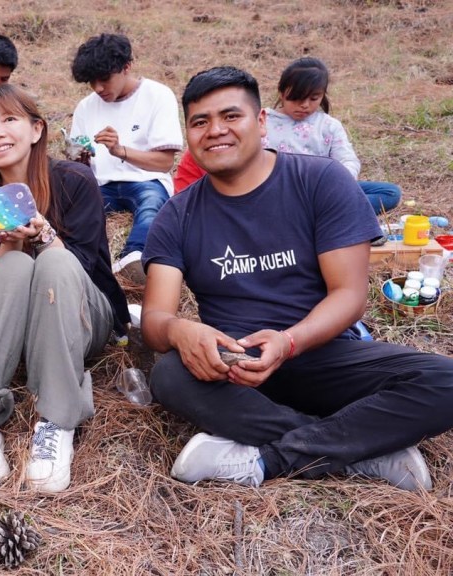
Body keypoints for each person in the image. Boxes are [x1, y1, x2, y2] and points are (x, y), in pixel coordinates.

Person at [141, 66, 453, 492]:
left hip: (322, 353)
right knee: (169, 375)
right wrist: (180, 330)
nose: (215, 131)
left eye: (231, 116)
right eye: (200, 122)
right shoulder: (176, 215)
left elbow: (349, 295)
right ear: (189, 134)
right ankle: (361, 447)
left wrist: (289, 342)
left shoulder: (320, 181)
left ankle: (268, 460)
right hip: (237, 365)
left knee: (445, 380)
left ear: (261, 121)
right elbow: (155, 320)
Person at [0, 84, 130, 493]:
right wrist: (5, 247)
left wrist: (43, 236)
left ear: (36, 129)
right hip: (14, 324)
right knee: (14, 264)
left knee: (53, 260)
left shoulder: (74, 180)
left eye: (9, 119)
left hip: (81, 313)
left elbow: (84, 267)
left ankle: (56, 422)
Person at [69, 33, 183, 284]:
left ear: (127, 67)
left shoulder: (157, 96)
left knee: (152, 206)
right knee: (72, 210)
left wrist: (120, 151)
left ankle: (134, 257)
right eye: (91, 82)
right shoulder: (86, 106)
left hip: (146, 181)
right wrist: (79, 158)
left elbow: (164, 163)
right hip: (102, 184)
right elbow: (79, 164)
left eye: (104, 79)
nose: (98, 88)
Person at [265, 57, 401, 215]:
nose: (305, 105)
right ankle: (326, 216)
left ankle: (320, 214)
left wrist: (336, 184)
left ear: (323, 95)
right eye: (297, 97)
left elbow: (348, 160)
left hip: (321, 192)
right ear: (281, 92)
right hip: (279, 193)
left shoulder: (328, 125)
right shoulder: (263, 121)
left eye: (314, 98)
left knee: (390, 193)